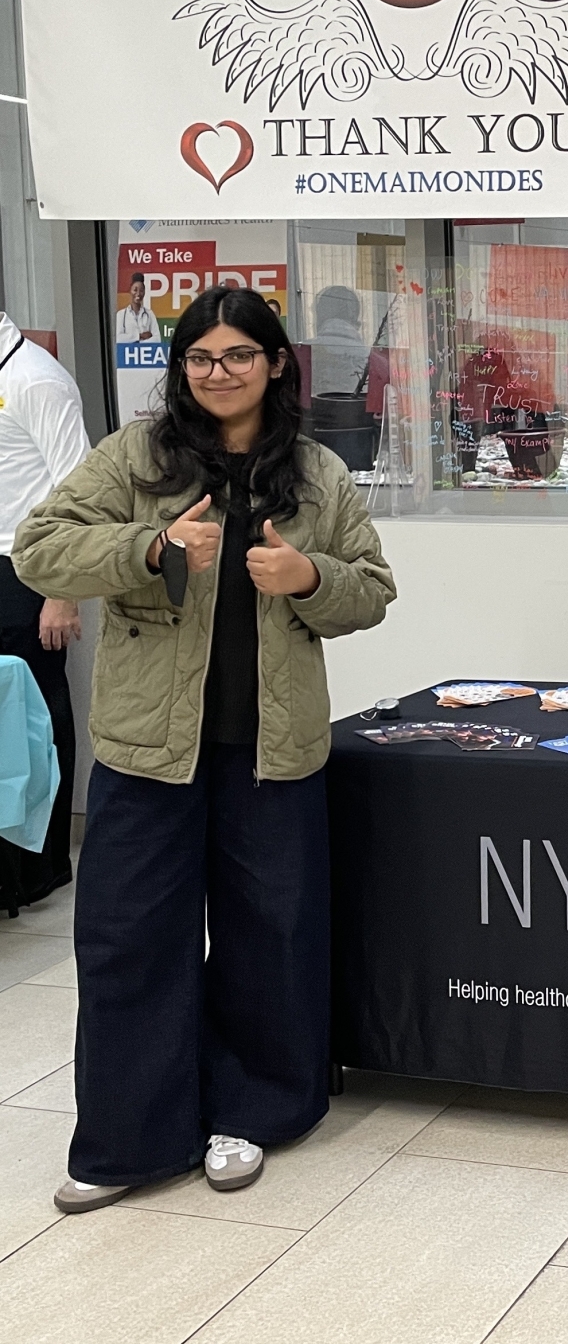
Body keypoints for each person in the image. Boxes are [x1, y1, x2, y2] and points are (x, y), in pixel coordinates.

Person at [12, 285, 396, 1212]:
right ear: (181, 370)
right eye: (199, 358)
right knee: (127, 938)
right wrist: (149, 549)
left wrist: (309, 575)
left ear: (274, 365)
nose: (217, 373)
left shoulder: (315, 473)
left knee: (271, 937)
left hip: (273, 748)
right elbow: (38, 549)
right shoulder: (134, 458)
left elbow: (372, 589)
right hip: (150, 751)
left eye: (236, 356)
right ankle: (127, 1137)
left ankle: (252, 1114)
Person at [0, 314, 90, 913]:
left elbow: (80, 490)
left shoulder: (37, 379)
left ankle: (44, 865)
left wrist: (63, 591)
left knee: (38, 717)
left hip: (26, 569)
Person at [115, 274, 159, 344]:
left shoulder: (150, 314)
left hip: (146, 353)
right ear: (130, 291)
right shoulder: (121, 315)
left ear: (144, 293)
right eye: (135, 290)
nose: (138, 293)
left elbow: (157, 339)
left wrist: (137, 343)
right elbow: (118, 339)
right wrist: (139, 336)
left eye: (141, 291)